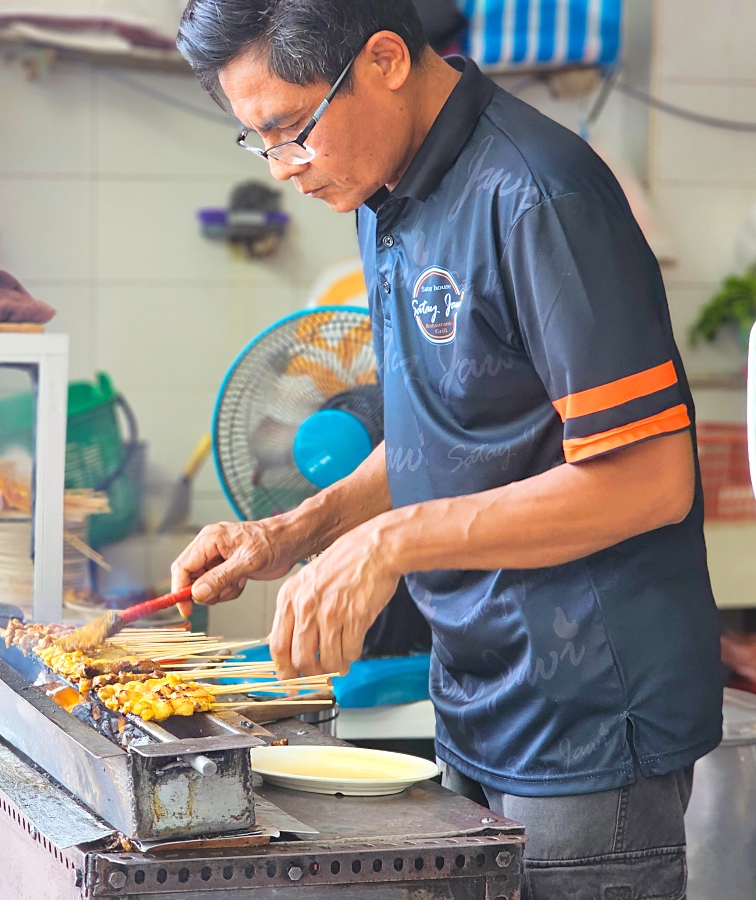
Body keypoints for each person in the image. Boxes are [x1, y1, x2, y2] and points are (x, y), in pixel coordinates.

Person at [170, 2, 724, 897]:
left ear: (386, 58)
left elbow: (649, 480)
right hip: (476, 691)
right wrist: (297, 529)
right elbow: (446, 430)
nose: (285, 172)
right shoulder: (387, 191)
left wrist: (389, 544)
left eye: (293, 132)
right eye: (259, 142)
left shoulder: (539, 193)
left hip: (587, 719)